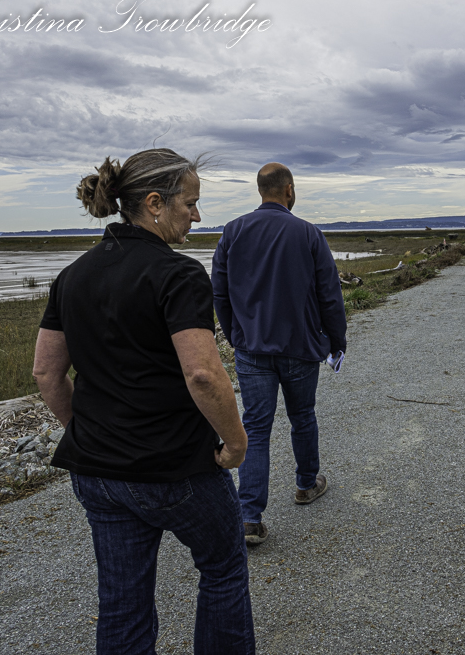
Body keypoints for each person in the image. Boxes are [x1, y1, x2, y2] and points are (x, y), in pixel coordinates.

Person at [32, 148, 256, 655]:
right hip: (174, 468)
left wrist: (86, 432)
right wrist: (236, 442)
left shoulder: (74, 275)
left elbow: (46, 372)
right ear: (155, 203)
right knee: (222, 569)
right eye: (190, 203)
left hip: (97, 472)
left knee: (122, 601)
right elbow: (203, 373)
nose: (196, 215)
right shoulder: (178, 274)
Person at [212, 162, 346, 546]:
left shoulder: (233, 231)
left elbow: (219, 290)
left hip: (251, 347)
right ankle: (306, 484)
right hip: (300, 347)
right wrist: (337, 341)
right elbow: (329, 295)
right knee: (302, 416)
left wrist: (235, 334)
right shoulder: (308, 233)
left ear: (260, 190)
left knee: (255, 428)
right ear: (288, 190)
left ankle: (249, 518)